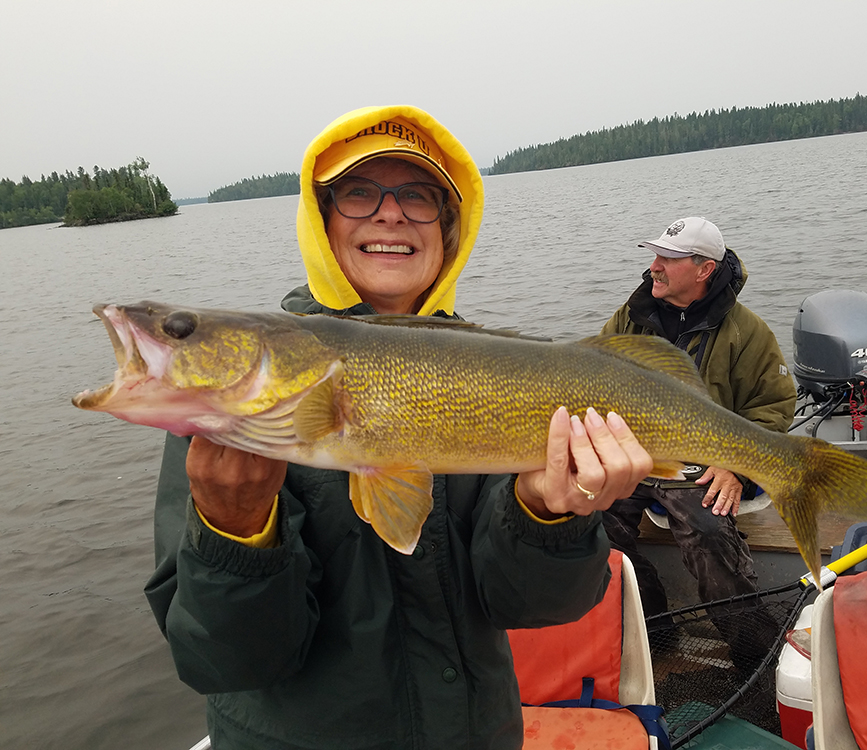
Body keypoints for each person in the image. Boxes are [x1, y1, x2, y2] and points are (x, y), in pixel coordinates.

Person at [144, 105, 654, 750]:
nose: (390, 213)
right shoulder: (230, 421)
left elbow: (531, 608)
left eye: (417, 196)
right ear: (321, 223)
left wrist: (548, 512)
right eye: (359, 194)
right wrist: (235, 530)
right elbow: (226, 663)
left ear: (449, 228)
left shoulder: (491, 371)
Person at [600, 217, 796, 615]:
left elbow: (773, 406)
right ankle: (653, 623)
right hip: (633, 458)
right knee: (584, 524)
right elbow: (593, 380)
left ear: (705, 269)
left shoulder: (747, 332)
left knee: (710, 535)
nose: (654, 265)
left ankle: (751, 650)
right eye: (656, 255)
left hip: (704, 466)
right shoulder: (629, 318)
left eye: (669, 258)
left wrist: (735, 468)